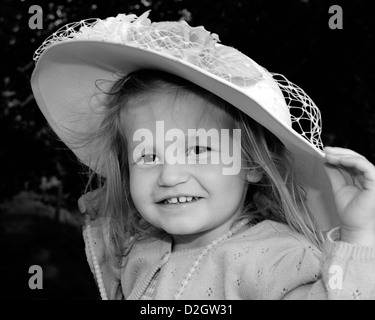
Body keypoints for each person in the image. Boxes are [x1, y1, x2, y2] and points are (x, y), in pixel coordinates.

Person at [31, 11, 375, 300]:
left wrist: (358, 235)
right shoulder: (135, 251)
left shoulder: (278, 261)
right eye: (148, 157)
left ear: (251, 165)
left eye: (199, 149)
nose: (169, 176)